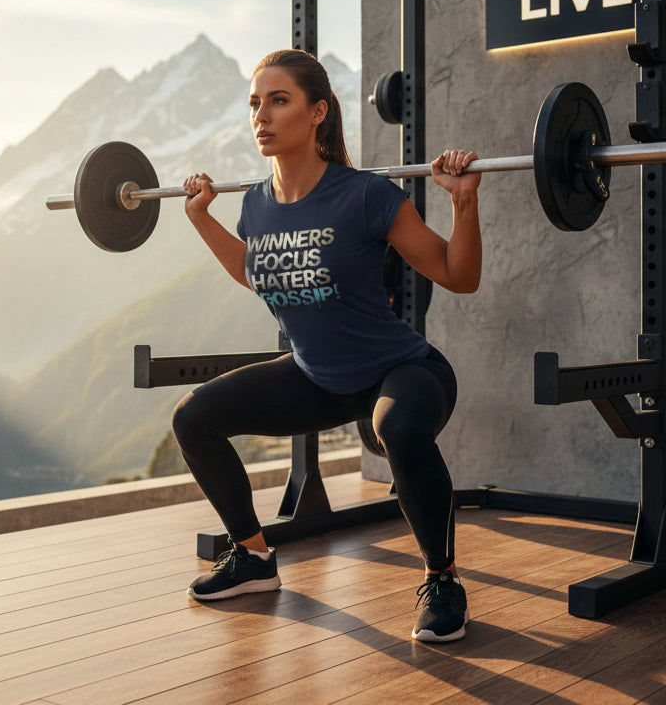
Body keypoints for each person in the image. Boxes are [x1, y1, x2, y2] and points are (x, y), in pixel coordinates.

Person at [173, 48, 482, 643]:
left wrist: (462, 201)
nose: (261, 115)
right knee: (193, 417)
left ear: (317, 112)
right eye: (255, 104)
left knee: (396, 428)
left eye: (278, 100)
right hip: (317, 378)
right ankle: (254, 558)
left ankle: (442, 580)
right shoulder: (255, 204)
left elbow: (457, 274)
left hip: (402, 371)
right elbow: (257, 271)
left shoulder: (366, 194)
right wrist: (201, 219)